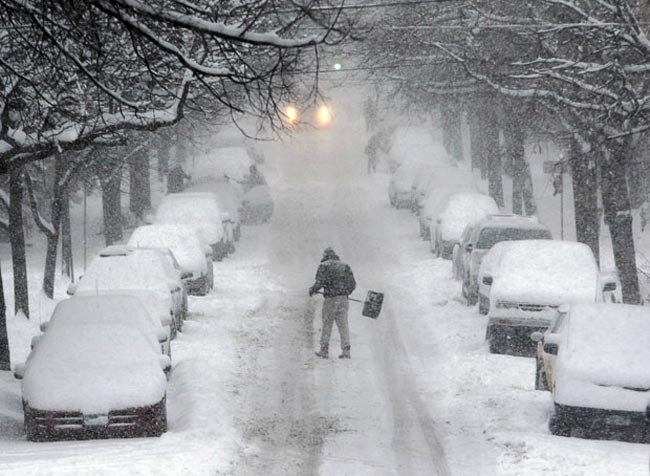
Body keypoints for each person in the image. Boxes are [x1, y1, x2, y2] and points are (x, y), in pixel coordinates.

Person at [309, 247, 356, 359]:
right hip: (343, 299)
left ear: (325, 255)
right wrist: (345, 292)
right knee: (343, 325)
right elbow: (353, 283)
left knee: (327, 325)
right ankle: (346, 351)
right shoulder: (345, 266)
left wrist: (313, 289)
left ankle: (324, 350)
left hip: (330, 299)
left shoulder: (324, 265)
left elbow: (320, 282)